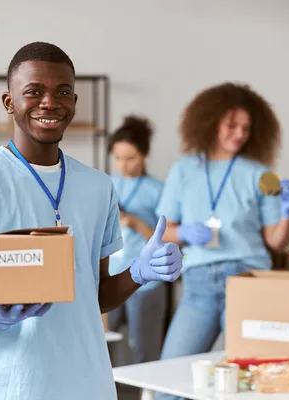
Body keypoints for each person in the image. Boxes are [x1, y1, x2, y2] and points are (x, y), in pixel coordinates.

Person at [0, 41, 183, 400]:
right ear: (9, 103)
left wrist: (138, 273)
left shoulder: (99, 186)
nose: (50, 102)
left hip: (88, 384)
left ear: (74, 102)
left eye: (62, 91)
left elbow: (92, 295)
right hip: (7, 387)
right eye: (33, 92)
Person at [155, 82, 289, 399]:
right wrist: (184, 233)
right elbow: (163, 231)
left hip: (248, 281)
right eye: (232, 125)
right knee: (168, 382)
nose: (240, 134)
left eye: (246, 128)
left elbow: (277, 241)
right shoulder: (184, 169)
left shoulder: (259, 173)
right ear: (210, 121)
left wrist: (288, 212)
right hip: (198, 286)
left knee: (251, 381)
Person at [107, 115, 168, 364]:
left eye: (130, 158)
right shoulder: (108, 184)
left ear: (144, 155)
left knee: (146, 350)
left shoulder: (158, 190)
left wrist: (135, 222)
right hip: (110, 277)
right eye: (118, 158)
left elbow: (166, 241)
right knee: (100, 346)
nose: (123, 165)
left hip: (147, 282)